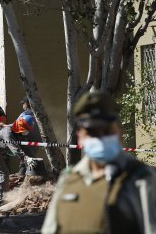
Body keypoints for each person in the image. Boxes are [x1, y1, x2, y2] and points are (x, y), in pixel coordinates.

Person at [41, 91, 156, 234]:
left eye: (106, 130)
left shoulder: (140, 179)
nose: (100, 137)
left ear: (119, 132)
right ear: (80, 136)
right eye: (92, 132)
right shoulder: (68, 178)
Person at [0, 114, 34, 208]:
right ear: (20, 127)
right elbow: (14, 148)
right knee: (3, 175)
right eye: (25, 129)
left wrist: (31, 156)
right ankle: (2, 201)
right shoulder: (8, 132)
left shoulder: (16, 130)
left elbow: (25, 147)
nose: (26, 132)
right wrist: (25, 158)